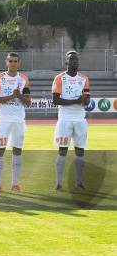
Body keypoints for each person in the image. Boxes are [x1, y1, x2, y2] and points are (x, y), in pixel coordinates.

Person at [0, 52, 31, 193]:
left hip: (19, 120)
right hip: (4, 120)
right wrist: (11, 96)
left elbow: (28, 102)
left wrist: (19, 95)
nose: (12, 63)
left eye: (15, 61)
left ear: (19, 63)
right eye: (10, 61)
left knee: (17, 150)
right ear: (6, 62)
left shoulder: (24, 79)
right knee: (0, 150)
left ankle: (15, 183)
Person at [52, 51, 90, 190]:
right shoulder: (59, 78)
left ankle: (79, 182)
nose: (75, 61)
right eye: (71, 59)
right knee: (62, 150)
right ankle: (59, 183)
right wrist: (76, 100)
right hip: (65, 119)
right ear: (66, 62)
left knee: (80, 151)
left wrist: (85, 100)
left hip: (80, 119)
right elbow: (55, 100)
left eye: (76, 59)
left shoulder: (84, 78)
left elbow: (86, 100)